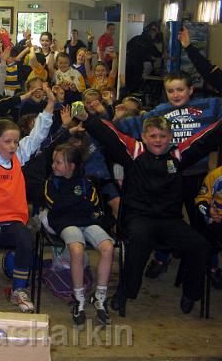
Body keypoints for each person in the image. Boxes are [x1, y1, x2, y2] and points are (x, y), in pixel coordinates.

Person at [76, 110, 222, 314]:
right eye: (153, 136)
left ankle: (191, 294)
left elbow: (205, 139)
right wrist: (87, 119)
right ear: (144, 137)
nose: (158, 140)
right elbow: (109, 135)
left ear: (170, 137)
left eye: (162, 136)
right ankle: (124, 293)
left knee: (200, 245)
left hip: (170, 220)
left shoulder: (178, 155)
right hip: (138, 218)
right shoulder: (134, 151)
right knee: (138, 242)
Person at [115, 71, 222, 278]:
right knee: (164, 217)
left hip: (196, 174)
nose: (175, 94)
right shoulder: (160, 111)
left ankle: (211, 263)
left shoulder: (208, 106)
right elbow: (133, 126)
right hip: (168, 176)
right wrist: (115, 118)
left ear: (191, 90)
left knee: (202, 219)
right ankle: (161, 257)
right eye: (170, 91)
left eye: (180, 89)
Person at [0, 82, 55, 312]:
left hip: (13, 220)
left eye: (16, 141)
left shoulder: (19, 156)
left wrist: (50, 105)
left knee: (26, 239)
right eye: (7, 141)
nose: (13, 145)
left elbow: (38, 134)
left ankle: (18, 290)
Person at [44, 143, 114, 327]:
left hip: (88, 222)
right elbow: (54, 205)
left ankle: (99, 297)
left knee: (108, 247)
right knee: (77, 249)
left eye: (58, 162)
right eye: (53, 161)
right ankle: (79, 298)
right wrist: (78, 202)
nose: (53, 165)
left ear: (71, 166)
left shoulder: (86, 182)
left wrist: (71, 203)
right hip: (65, 223)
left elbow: (94, 206)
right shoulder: (51, 182)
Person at [125, 23, 162, 94]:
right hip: (137, 65)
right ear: (152, 32)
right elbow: (157, 54)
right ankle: (133, 96)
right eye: (155, 33)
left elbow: (127, 47)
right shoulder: (149, 42)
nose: (155, 36)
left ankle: (127, 95)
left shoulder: (136, 38)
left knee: (128, 82)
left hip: (128, 63)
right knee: (135, 83)